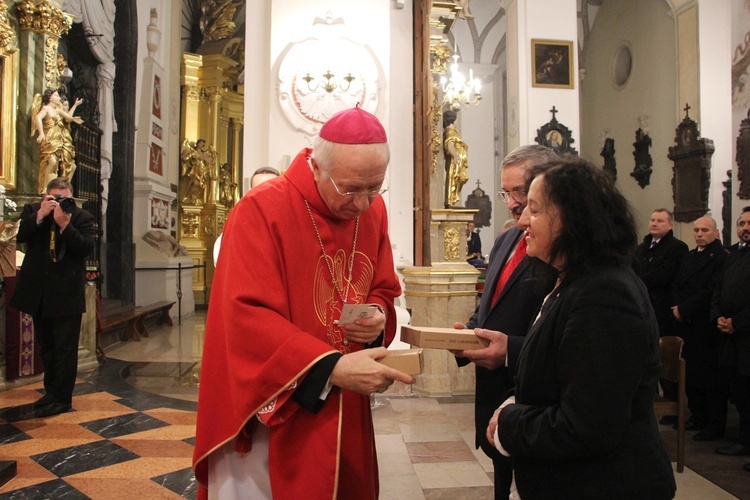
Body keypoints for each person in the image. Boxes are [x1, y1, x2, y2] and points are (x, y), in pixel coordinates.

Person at [193, 106, 414, 499]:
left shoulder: (372, 211)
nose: (363, 203)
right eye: (350, 189)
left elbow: (383, 286)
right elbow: (244, 315)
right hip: (278, 409)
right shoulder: (261, 210)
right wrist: (331, 368)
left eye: (374, 187)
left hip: (346, 407)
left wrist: (378, 316)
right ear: (316, 166)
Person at [487, 157, 676, 499]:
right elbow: (566, 375)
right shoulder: (573, 281)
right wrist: (518, 400)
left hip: (605, 485)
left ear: (573, 218)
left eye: (535, 209)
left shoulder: (606, 295)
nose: (523, 220)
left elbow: (587, 426)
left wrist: (509, 424)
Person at [452, 145, 558, 499]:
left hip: (534, 396)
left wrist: (509, 349)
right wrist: (470, 332)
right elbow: (491, 305)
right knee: (502, 478)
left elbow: (558, 329)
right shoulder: (506, 239)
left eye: (521, 191)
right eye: (506, 192)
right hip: (494, 390)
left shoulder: (553, 247)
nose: (513, 203)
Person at [10, 177, 95, 417]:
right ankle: (50, 393)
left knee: (65, 349)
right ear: (46, 196)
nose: (58, 203)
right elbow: (20, 236)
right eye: (53, 198)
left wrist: (65, 225)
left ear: (70, 197)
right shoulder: (33, 212)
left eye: (63, 198)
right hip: (40, 294)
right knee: (47, 347)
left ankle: (63, 398)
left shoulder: (81, 217)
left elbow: (85, 248)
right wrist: (40, 215)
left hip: (66, 295)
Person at [671, 216, 728, 441]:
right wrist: (676, 306)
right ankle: (698, 415)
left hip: (705, 324)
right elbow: (677, 282)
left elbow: (711, 290)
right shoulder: (690, 256)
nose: (699, 234)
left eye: (704, 230)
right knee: (691, 374)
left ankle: (714, 423)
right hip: (686, 323)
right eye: (696, 230)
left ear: (715, 233)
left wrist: (684, 308)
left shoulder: (721, 258)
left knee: (709, 378)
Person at [636, 208, 688, 421]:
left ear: (670, 225)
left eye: (660, 220)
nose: (654, 223)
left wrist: (639, 281)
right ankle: (648, 401)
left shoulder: (677, 248)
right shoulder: (642, 247)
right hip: (644, 308)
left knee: (665, 361)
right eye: (652, 219)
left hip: (662, 311)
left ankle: (671, 404)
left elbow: (664, 275)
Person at [712, 206, 750, 471]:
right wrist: (719, 316)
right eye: (742, 223)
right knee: (741, 392)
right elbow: (719, 288)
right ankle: (744, 441)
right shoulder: (733, 254)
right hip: (731, 336)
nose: (745, 228)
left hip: (747, 333)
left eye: (749, 223)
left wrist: (738, 322)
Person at [212, 166, 280, 265]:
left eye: (271, 188)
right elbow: (222, 260)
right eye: (259, 189)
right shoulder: (237, 222)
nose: (265, 194)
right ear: (250, 192)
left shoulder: (292, 220)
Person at [31, 89, 84, 194]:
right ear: (50, 97)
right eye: (56, 96)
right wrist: (41, 133)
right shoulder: (46, 108)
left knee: (56, 164)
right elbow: (37, 117)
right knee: (51, 162)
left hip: (57, 140)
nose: (59, 98)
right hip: (49, 139)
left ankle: (52, 188)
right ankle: (45, 187)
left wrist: (74, 117)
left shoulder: (57, 110)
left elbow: (68, 117)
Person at [443, 109, 469, 207]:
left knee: (459, 179)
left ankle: (453, 199)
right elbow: (450, 144)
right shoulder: (450, 132)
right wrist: (455, 156)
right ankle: (451, 200)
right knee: (455, 178)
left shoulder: (453, 131)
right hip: (456, 161)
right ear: (453, 120)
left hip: (458, 160)